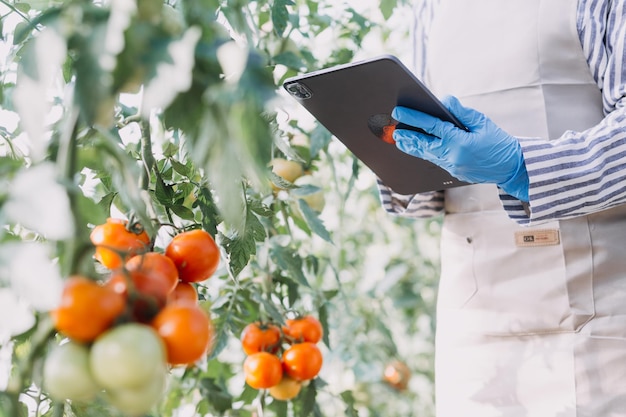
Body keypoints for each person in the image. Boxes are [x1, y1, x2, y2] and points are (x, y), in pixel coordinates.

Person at [377, 0, 626, 415]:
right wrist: (395, 158)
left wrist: (523, 168)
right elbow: (426, 196)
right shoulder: (427, 7)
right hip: (476, 322)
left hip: (601, 312)